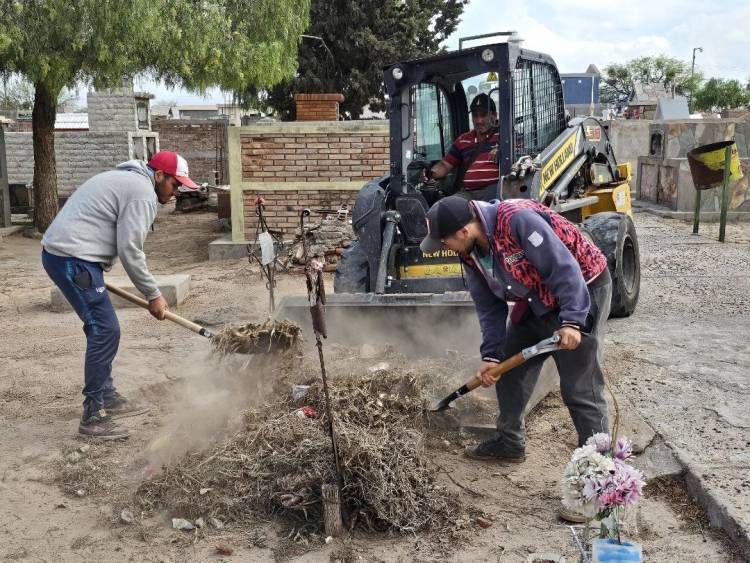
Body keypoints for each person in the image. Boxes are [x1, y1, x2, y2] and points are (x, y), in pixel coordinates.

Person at [420, 195, 612, 469]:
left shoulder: (516, 221)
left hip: (580, 290)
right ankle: (509, 442)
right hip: (535, 297)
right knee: (507, 370)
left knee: (579, 386)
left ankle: (599, 473)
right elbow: (488, 305)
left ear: (463, 231)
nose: (444, 247)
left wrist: (572, 321)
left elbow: (564, 269)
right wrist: (492, 355)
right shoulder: (470, 252)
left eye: (444, 241)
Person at [41, 151, 198, 439]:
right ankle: (93, 416)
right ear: (160, 175)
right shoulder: (142, 193)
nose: (176, 193)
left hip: (73, 256)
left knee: (101, 328)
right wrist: (153, 294)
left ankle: (108, 397)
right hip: (71, 259)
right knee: (106, 330)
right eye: (175, 185)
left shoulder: (131, 180)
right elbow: (130, 249)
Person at [423, 93, 500, 201]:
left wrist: (501, 152)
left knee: (482, 212)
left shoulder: (505, 135)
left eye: (483, 115)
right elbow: (445, 165)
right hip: (467, 193)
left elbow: (519, 158)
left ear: (494, 115)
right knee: (442, 208)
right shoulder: (463, 140)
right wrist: (429, 174)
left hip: (495, 192)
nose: (478, 121)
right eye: (475, 116)